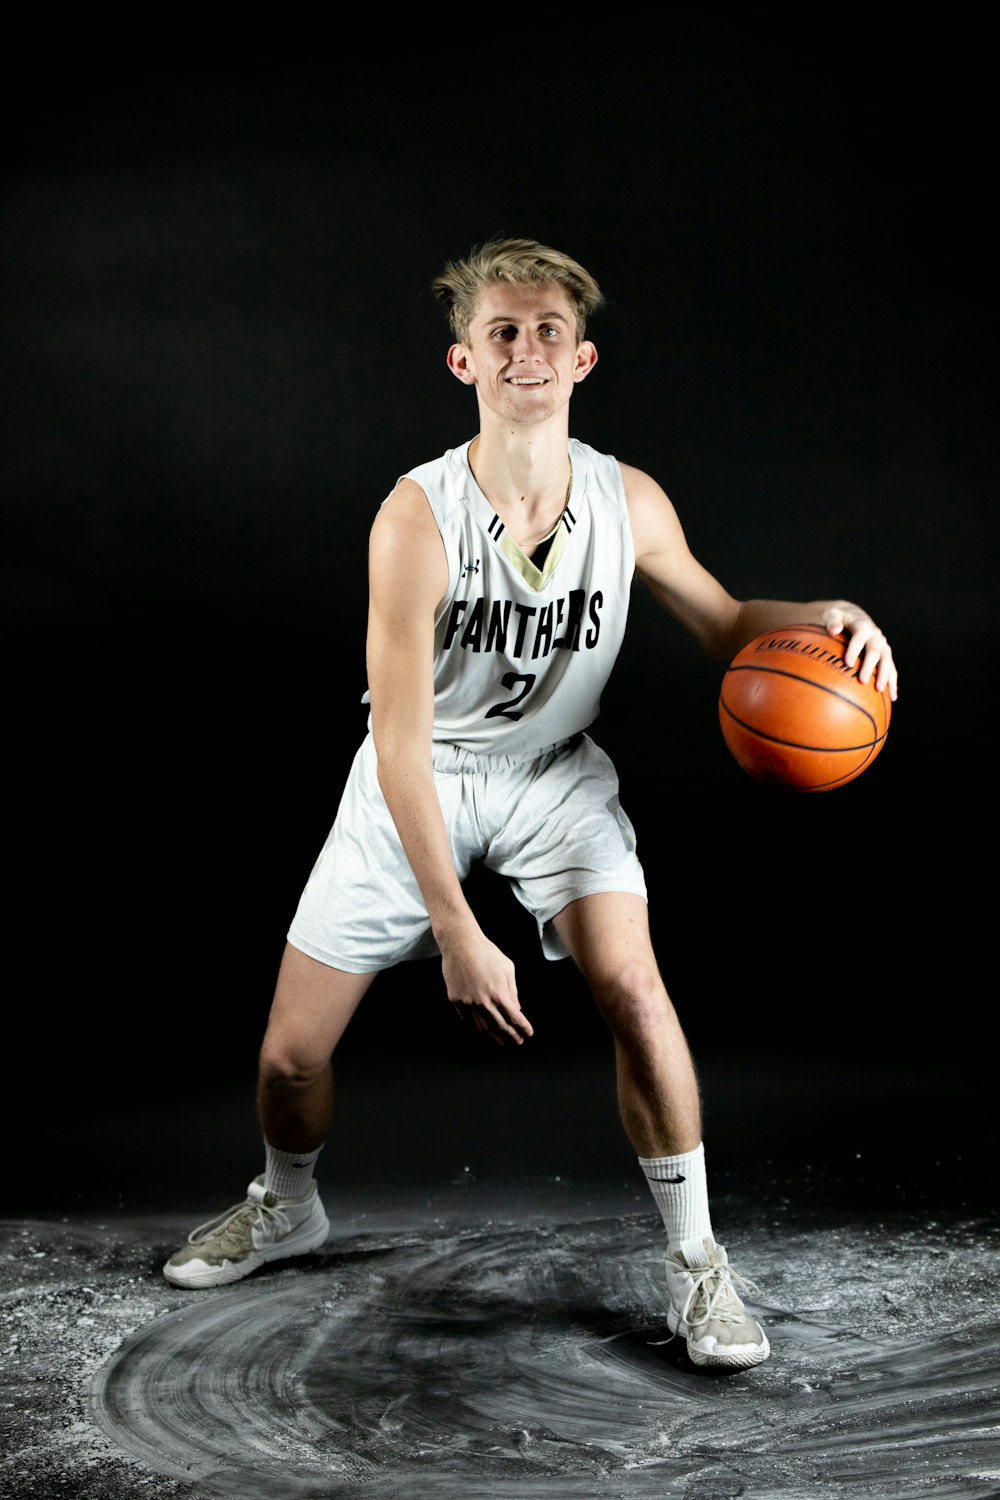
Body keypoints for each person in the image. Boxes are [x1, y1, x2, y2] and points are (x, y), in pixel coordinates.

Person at [163, 238, 897, 1372]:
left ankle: (699, 1264)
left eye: (546, 329)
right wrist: (458, 928)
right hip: (422, 775)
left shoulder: (626, 499)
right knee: (287, 1062)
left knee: (637, 994)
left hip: (555, 775)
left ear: (582, 357)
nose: (526, 349)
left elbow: (722, 622)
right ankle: (285, 1199)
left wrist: (828, 612)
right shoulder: (415, 518)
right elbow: (399, 741)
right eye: (501, 332)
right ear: (463, 361)